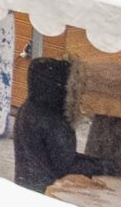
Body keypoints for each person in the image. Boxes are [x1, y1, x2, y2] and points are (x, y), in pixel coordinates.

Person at [13, 57, 110, 192]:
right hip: (48, 193)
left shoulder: (29, 107)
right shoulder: (53, 120)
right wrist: (104, 167)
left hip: (27, 185)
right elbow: (65, 167)